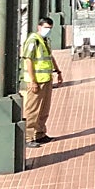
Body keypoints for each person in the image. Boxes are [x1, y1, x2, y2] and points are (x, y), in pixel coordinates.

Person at [19, 19, 62, 150]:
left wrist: (58, 71)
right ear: (39, 27)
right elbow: (28, 60)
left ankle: (40, 133)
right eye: (46, 27)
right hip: (36, 80)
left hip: (46, 79)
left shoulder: (45, 41)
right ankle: (28, 137)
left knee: (44, 108)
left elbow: (50, 57)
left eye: (50, 27)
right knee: (33, 109)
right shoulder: (33, 40)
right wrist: (33, 81)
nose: (48, 30)